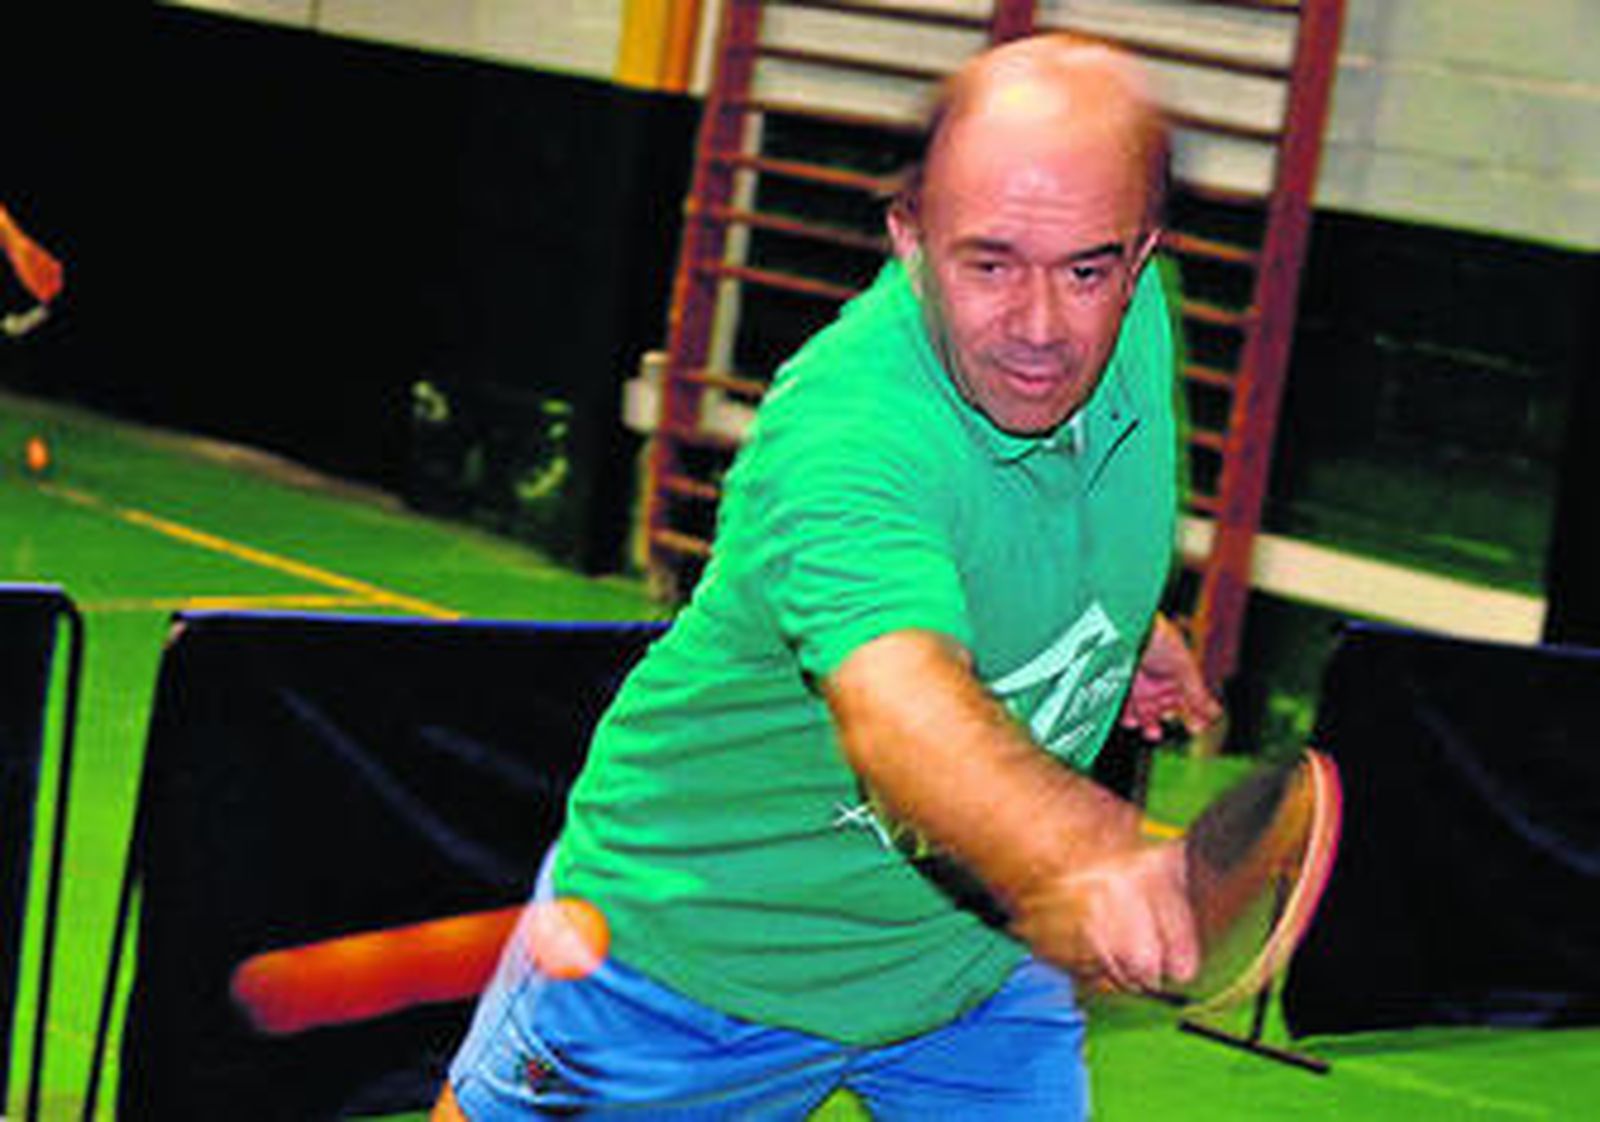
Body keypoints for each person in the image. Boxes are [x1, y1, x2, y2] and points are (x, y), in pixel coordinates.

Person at [439, 32, 1221, 1121]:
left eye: (1087, 269)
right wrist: (1075, 849)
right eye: (989, 265)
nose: (1042, 326)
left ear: (1140, 254)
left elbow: (1046, 502)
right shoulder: (847, 433)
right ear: (910, 238)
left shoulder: (1134, 320)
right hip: (694, 967)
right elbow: (897, 710)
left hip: (969, 970)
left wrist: (1111, 625)